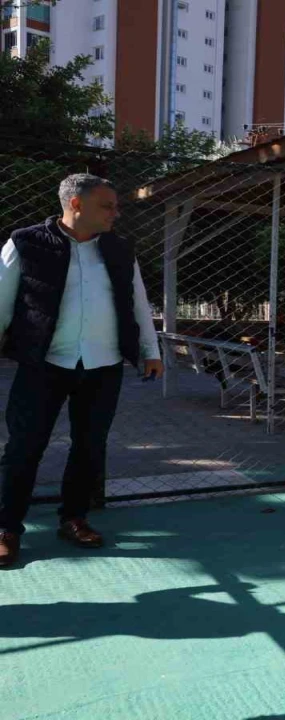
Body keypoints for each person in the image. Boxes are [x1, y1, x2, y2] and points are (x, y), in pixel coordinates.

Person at [0, 174, 164, 567]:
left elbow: (138, 303)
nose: (116, 213)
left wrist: (150, 351)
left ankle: (73, 519)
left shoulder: (121, 250)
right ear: (76, 204)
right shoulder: (25, 243)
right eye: (107, 205)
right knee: (24, 448)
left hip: (103, 365)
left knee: (89, 447)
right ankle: (6, 528)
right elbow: (1, 301)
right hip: (43, 365)